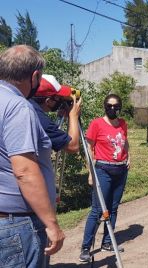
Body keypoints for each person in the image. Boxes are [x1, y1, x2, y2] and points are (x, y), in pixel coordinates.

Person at [0, 45, 65, 267]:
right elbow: (25, 171)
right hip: (16, 225)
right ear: (35, 76)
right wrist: (51, 223)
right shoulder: (18, 106)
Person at [79, 93, 130, 262]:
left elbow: (124, 141)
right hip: (103, 170)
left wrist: (128, 157)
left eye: (116, 106)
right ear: (105, 107)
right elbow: (89, 149)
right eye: (109, 106)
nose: (113, 109)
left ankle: (108, 242)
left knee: (113, 208)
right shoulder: (96, 124)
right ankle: (86, 248)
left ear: (120, 107)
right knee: (98, 210)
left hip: (121, 170)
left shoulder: (123, 124)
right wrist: (91, 172)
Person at [30, 74, 82, 153]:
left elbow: (50, 134)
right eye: (59, 98)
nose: (61, 101)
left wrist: (59, 117)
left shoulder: (29, 108)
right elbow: (73, 146)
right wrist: (73, 116)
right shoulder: (40, 120)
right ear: (48, 101)